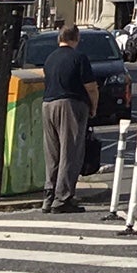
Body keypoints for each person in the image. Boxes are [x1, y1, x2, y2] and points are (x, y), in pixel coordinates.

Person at [40, 23, 99, 213]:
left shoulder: (50, 58)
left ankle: (48, 196)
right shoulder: (79, 58)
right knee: (70, 151)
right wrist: (93, 107)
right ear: (76, 38)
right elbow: (90, 87)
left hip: (48, 105)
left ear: (59, 38)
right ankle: (63, 198)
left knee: (53, 153)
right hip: (70, 105)